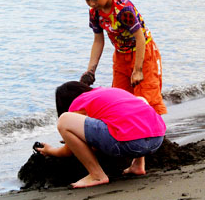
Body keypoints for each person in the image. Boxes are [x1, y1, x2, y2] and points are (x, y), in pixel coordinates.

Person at [36, 81, 166, 189]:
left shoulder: (78, 102)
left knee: (64, 120)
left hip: (130, 144)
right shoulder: (109, 92)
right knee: (139, 100)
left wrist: (51, 150)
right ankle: (138, 165)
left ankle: (97, 175)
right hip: (157, 139)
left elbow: (69, 151)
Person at [78, 0, 167, 115]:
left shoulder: (123, 10)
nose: (91, 4)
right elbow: (98, 41)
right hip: (120, 55)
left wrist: (137, 70)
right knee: (120, 98)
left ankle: (157, 135)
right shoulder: (95, 13)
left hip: (143, 54)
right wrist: (90, 71)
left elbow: (140, 38)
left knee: (147, 97)